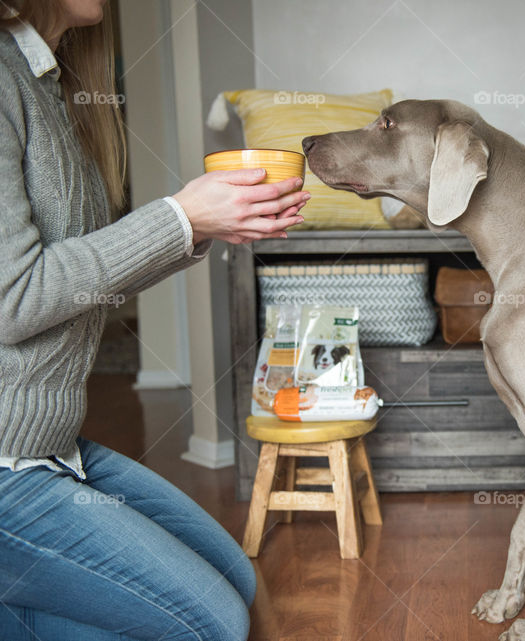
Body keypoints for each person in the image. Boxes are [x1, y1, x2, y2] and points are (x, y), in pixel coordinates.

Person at [0, 1, 309, 638]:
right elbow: (14, 298)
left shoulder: (44, 78)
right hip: (8, 462)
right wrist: (180, 218)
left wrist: (202, 228)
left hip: (50, 446)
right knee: (211, 624)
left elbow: (77, 275)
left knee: (237, 581)